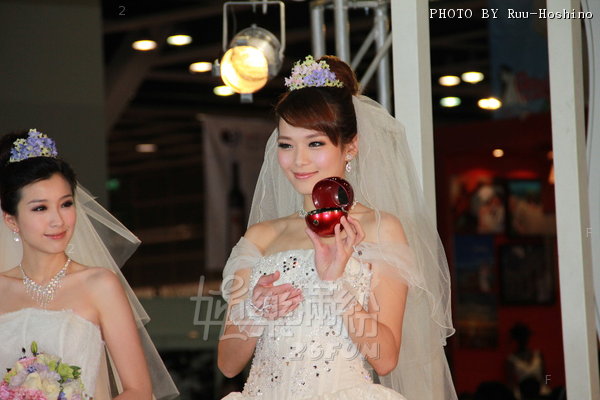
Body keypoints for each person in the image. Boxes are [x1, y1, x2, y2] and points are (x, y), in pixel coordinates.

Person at [218, 55, 457, 399]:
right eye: (286, 144)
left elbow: (385, 358)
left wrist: (335, 286)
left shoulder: (379, 228)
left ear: (351, 146)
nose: (298, 160)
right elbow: (228, 364)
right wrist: (255, 312)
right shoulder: (262, 236)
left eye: (315, 143)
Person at [0, 129, 179, 399]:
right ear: (11, 220)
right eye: (40, 208)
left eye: (65, 204)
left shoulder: (100, 285)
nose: (58, 221)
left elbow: (139, 390)